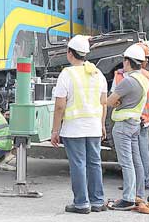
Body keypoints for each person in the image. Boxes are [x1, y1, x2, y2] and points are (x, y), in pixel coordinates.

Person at [51, 35, 108, 214]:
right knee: (94, 163)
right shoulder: (97, 74)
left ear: (69, 53)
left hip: (74, 128)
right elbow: (103, 102)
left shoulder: (66, 74)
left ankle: (82, 203)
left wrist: (55, 130)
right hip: (94, 126)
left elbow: (60, 105)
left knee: (78, 164)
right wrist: (102, 125)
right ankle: (98, 201)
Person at [107, 44, 149, 210]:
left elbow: (110, 101)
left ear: (127, 61)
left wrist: (115, 101)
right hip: (134, 124)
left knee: (126, 163)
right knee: (136, 161)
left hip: (123, 126)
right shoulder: (144, 79)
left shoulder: (128, 81)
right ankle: (139, 195)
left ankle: (128, 199)